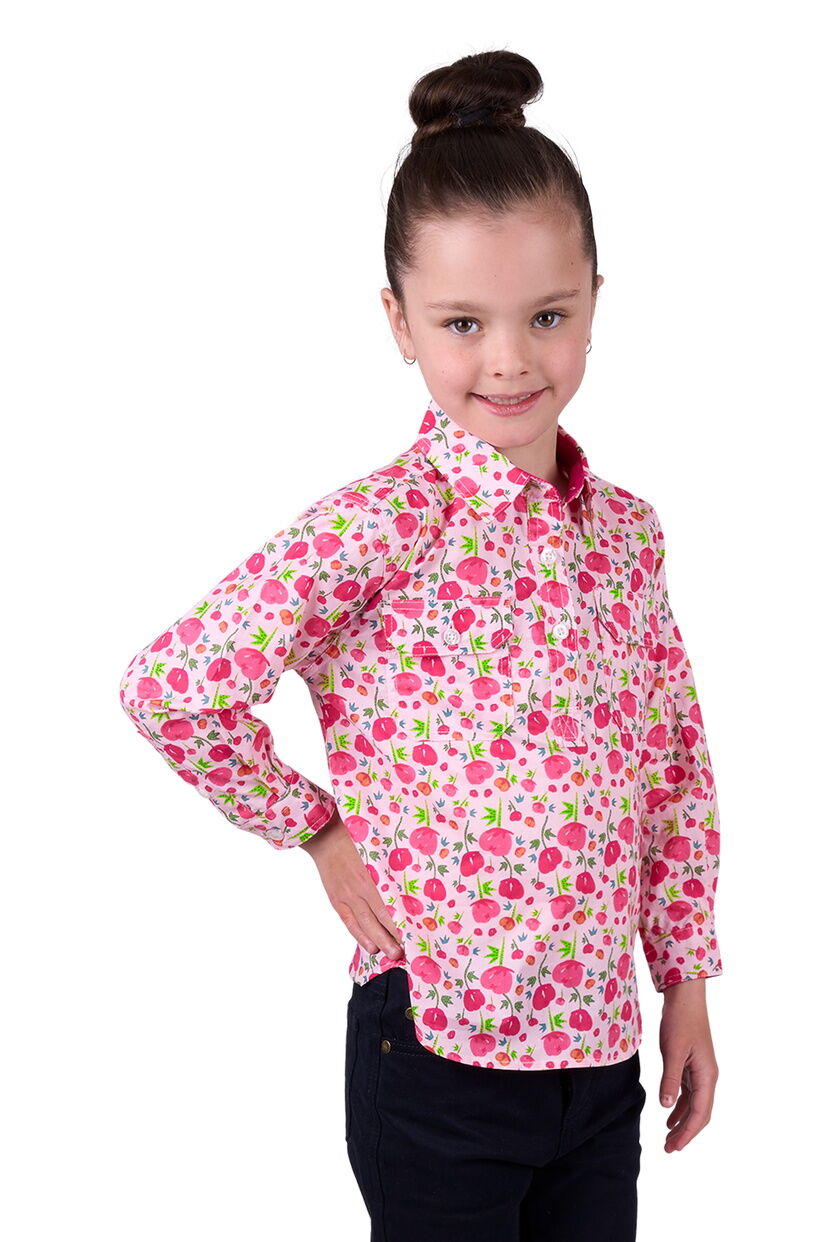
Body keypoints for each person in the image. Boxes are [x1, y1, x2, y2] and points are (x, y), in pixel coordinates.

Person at [119, 47, 723, 1242]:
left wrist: (685, 981)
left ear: (593, 301)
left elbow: (671, 770)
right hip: (438, 1054)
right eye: (461, 323)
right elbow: (171, 687)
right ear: (399, 322)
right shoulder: (382, 523)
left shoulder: (624, 535)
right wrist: (314, 826)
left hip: (598, 1056)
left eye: (546, 316)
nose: (509, 360)